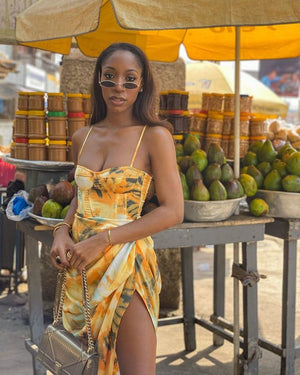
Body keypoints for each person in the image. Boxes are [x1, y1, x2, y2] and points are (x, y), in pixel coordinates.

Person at [50, 42, 183, 375]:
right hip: (80, 265)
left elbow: (172, 210)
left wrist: (103, 240)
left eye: (129, 78)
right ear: (98, 81)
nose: (118, 87)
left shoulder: (155, 136)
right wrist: (62, 231)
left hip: (127, 266)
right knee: (84, 367)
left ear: (142, 85)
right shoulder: (83, 136)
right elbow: (83, 197)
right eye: (109, 77)